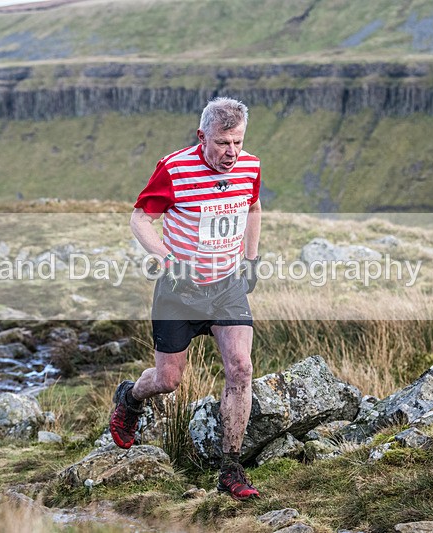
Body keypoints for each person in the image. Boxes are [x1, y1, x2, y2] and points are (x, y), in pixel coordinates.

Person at [109, 97, 263, 500]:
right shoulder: (174, 168)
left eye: (238, 143)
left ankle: (231, 469)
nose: (231, 153)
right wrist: (167, 261)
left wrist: (251, 260)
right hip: (179, 291)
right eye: (222, 143)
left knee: (241, 368)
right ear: (202, 137)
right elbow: (140, 218)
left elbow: (254, 206)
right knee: (168, 380)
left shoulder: (250, 165)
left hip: (227, 286)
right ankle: (130, 396)